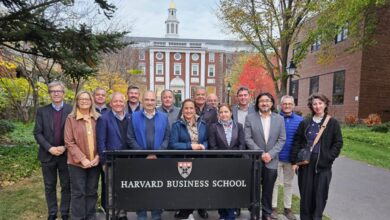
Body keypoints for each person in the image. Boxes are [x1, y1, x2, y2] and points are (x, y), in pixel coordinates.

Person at [290, 94, 343, 220]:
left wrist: (329, 157)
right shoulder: (305, 123)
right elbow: (297, 141)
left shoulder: (333, 123)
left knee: (320, 197)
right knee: (306, 197)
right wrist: (294, 162)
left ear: (325, 104)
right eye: (315, 104)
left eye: (320, 103)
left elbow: (338, 142)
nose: (317, 106)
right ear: (311, 106)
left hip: (323, 166)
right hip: (305, 164)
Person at [127, 91, 170, 220]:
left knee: (157, 187)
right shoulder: (134, 117)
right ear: (142, 100)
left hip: (158, 159)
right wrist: (144, 154)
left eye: (152, 100)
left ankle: (156, 214)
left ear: (155, 101)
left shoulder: (163, 117)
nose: (150, 102)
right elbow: (130, 138)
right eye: (147, 100)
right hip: (141, 159)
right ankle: (141, 214)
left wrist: (156, 153)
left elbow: (167, 137)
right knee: (141, 187)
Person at [33, 81, 72, 220]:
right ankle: (52, 212)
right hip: (47, 154)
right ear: (49, 94)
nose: (56, 93)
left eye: (59, 91)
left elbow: (76, 133)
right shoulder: (42, 111)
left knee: (66, 185)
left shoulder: (71, 110)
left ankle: (65, 212)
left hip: (66, 154)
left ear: (63, 93)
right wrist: (50, 148)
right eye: (53, 91)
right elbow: (37, 133)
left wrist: (65, 147)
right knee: (49, 186)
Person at [245, 92, 286, 220]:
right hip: (256, 159)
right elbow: (248, 138)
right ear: (257, 104)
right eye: (261, 101)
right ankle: (254, 212)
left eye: (267, 100)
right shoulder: (250, 117)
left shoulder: (279, 119)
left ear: (272, 103)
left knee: (268, 189)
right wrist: (261, 153)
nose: (264, 103)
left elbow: (282, 139)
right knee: (254, 188)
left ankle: (266, 213)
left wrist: (271, 154)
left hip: (272, 161)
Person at [169, 99, 208, 219]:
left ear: (195, 109)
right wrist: (190, 146)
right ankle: (187, 213)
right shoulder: (177, 125)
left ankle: (193, 210)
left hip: (200, 161)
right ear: (182, 109)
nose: (189, 110)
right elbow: (173, 144)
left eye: (191, 108)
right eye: (186, 108)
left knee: (198, 187)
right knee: (185, 188)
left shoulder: (202, 123)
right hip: (184, 162)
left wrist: (203, 146)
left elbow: (206, 140)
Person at [64, 91, 100, 220]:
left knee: (92, 192)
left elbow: (102, 140)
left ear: (91, 101)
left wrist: (98, 157)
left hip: (95, 162)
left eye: (87, 99)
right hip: (76, 163)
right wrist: (82, 159)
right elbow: (69, 142)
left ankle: (90, 216)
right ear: (77, 101)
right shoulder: (71, 118)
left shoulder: (97, 118)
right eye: (81, 99)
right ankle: (78, 217)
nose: (84, 101)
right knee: (78, 193)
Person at [96, 92, 131, 220]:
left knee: (124, 187)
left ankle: (122, 214)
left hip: (126, 161)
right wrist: (104, 162)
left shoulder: (129, 118)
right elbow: (100, 142)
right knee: (111, 189)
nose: (118, 104)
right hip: (111, 160)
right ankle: (112, 214)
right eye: (115, 101)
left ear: (124, 103)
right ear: (111, 104)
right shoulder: (104, 118)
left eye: (121, 101)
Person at [208, 103, 245, 220]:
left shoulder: (238, 126)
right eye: (221, 112)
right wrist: (225, 154)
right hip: (220, 164)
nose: (224, 114)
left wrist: (233, 154)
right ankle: (222, 214)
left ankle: (230, 215)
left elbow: (242, 145)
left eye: (226, 112)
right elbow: (212, 146)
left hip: (235, 164)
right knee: (220, 190)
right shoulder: (213, 127)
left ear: (231, 113)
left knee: (232, 190)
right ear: (218, 114)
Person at [271, 95, 303, 220]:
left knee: (288, 183)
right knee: (274, 183)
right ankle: (273, 208)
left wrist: (297, 160)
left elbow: (301, 140)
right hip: (276, 157)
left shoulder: (300, 120)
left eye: (290, 104)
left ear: (293, 105)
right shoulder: (275, 118)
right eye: (285, 104)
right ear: (281, 105)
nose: (287, 106)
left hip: (291, 159)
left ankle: (287, 208)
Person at [92, 87, 108, 212]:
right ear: (94, 96)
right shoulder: (88, 110)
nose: (100, 97)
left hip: (105, 152)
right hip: (90, 152)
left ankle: (105, 206)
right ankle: (91, 208)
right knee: (92, 183)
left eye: (103, 95)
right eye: (98, 95)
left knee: (106, 182)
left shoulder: (110, 111)